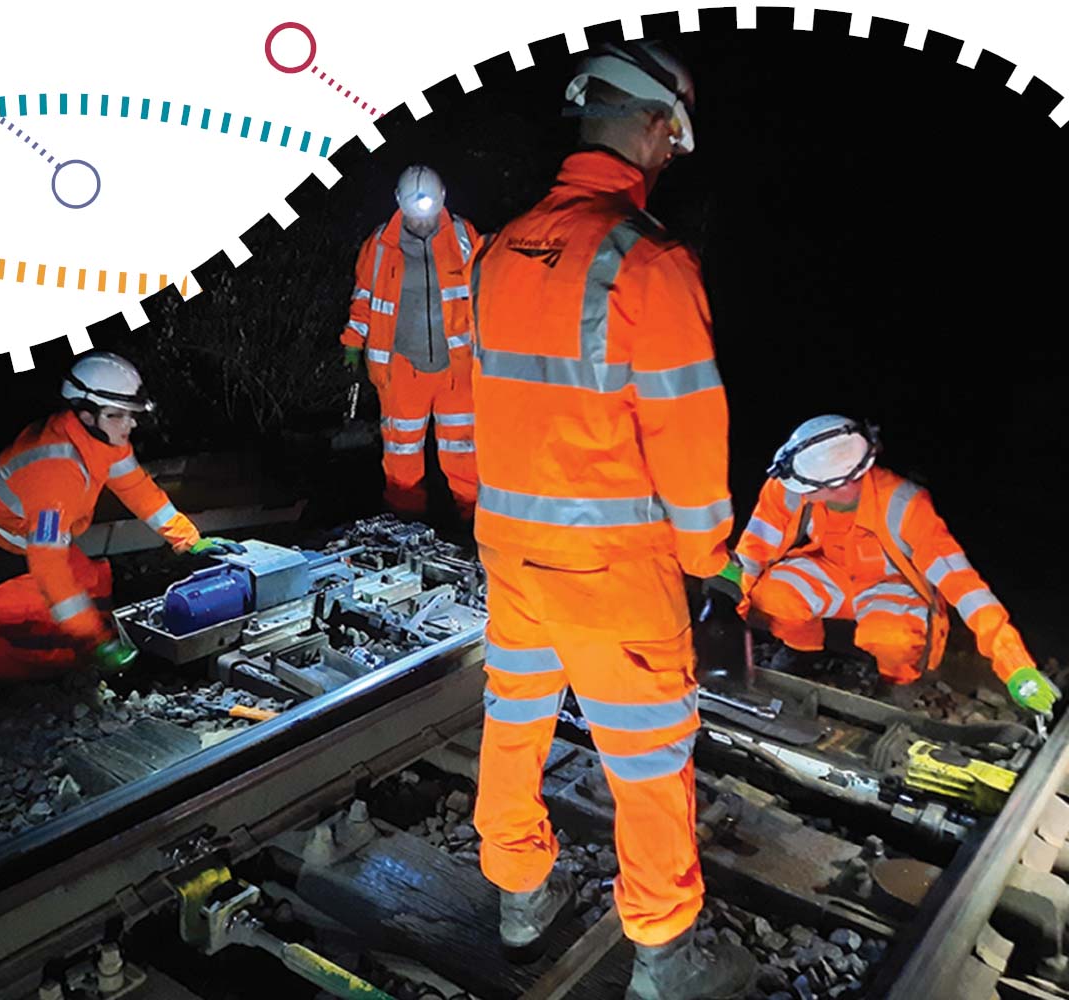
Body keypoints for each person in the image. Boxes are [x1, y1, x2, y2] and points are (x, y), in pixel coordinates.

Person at [468, 41, 756, 1000]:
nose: (672, 155)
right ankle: (663, 960)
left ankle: (518, 902)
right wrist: (711, 557)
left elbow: (485, 411)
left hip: (511, 556)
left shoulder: (500, 248)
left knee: (514, 726)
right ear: (646, 125)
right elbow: (686, 434)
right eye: (671, 138)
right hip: (614, 573)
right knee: (646, 760)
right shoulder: (651, 262)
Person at [0, 351, 243, 681]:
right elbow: (49, 567)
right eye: (118, 415)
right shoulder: (55, 472)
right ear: (87, 414)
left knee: (92, 585)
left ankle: (93, 648)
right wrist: (91, 640)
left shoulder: (102, 441)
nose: (131, 423)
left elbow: (138, 489)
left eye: (131, 414)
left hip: (18, 539)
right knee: (49, 641)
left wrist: (189, 540)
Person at [730, 414, 1059, 712]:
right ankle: (803, 653)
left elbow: (965, 586)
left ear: (843, 484)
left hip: (890, 586)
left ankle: (896, 683)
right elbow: (754, 551)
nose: (796, 492)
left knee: (891, 636)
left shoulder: (907, 507)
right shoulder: (791, 486)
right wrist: (727, 605)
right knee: (771, 594)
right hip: (833, 573)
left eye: (807, 488)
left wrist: (1015, 664)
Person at [340, 165, 481, 521]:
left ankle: (472, 517)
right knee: (402, 453)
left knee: (464, 448)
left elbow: (485, 291)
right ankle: (405, 522)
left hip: (457, 366)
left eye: (429, 212)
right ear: (399, 203)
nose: (422, 222)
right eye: (414, 213)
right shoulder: (380, 245)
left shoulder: (464, 236)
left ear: (442, 201)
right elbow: (364, 297)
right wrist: (352, 343)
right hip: (401, 366)